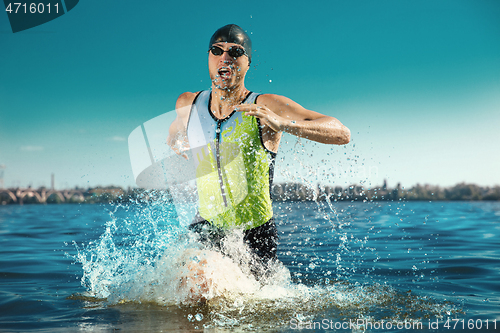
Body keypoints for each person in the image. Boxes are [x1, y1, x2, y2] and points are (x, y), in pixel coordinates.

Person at [167, 24, 350, 277]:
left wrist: (283, 123)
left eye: (235, 51)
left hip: (254, 235)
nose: (225, 57)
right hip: (205, 225)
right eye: (217, 50)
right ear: (208, 58)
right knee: (194, 278)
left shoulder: (265, 105)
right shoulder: (189, 103)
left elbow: (341, 132)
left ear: (248, 63)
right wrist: (176, 140)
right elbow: (176, 129)